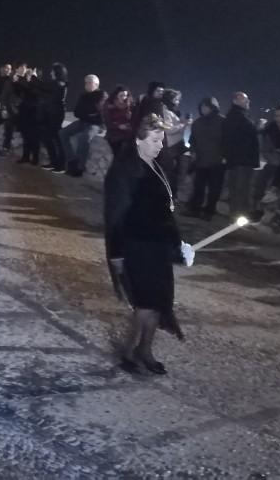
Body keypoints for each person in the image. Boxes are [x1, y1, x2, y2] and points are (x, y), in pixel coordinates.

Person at [104, 114, 192, 376]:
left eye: (161, 140)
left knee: (158, 302)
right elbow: (115, 215)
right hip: (136, 246)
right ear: (138, 140)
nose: (160, 145)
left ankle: (145, 349)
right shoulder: (124, 170)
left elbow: (165, 211)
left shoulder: (156, 166)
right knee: (145, 303)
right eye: (154, 140)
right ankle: (131, 350)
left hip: (157, 247)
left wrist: (178, 244)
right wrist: (116, 254)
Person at [221, 92, 259, 219]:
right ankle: (240, 217)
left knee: (236, 188)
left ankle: (236, 215)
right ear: (235, 101)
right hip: (243, 159)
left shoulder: (233, 115)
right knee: (241, 189)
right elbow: (248, 132)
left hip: (236, 159)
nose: (248, 102)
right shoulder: (238, 116)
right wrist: (258, 127)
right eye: (244, 99)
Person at [185, 97, 224, 221]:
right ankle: (195, 209)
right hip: (201, 160)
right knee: (199, 187)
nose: (203, 109)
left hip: (217, 161)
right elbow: (193, 140)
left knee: (214, 189)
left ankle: (209, 212)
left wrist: (224, 156)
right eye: (202, 106)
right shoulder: (198, 123)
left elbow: (228, 141)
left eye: (206, 106)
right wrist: (193, 152)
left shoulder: (222, 121)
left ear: (213, 107)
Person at [61, 75, 106, 177]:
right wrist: (89, 113)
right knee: (62, 133)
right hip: (82, 121)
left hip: (96, 124)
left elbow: (99, 112)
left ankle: (80, 167)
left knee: (84, 138)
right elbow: (77, 112)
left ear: (96, 84)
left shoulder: (102, 95)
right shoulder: (83, 95)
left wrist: (86, 113)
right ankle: (72, 160)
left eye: (90, 82)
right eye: (86, 82)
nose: (87, 85)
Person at [40, 63, 68, 172]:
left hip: (55, 114)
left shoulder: (57, 84)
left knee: (52, 138)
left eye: (52, 71)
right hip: (55, 113)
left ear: (57, 72)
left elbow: (41, 86)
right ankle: (56, 163)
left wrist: (32, 77)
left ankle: (60, 165)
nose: (50, 73)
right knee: (53, 138)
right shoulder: (60, 83)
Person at [103, 86, 133, 156]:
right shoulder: (109, 104)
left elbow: (134, 118)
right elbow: (107, 121)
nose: (123, 97)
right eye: (121, 95)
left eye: (125, 95)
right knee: (118, 150)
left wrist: (130, 117)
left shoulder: (130, 104)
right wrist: (118, 126)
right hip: (114, 131)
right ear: (116, 95)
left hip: (128, 131)